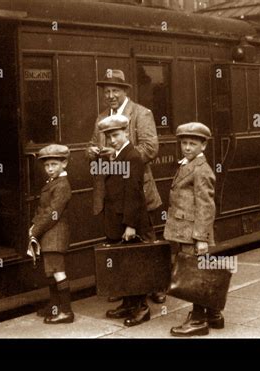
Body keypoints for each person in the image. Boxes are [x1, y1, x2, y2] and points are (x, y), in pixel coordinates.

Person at [87, 69, 165, 304]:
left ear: (125, 91)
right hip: (111, 193)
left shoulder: (141, 113)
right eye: (106, 91)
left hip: (135, 190)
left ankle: (156, 285)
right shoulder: (101, 117)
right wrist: (90, 152)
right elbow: (91, 144)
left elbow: (150, 148)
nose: (110, 95)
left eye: (115, 91)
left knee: (145, 238)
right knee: (117, 241)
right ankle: (125, 288)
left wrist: (120, 156)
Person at [163, 122, 224, 337]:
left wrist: (201, 237)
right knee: (199, 270)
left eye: (192, 143)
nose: (187, 147)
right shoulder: (188, 164)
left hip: (193, 232)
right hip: (186, 229)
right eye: (184, 143)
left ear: (203, 145)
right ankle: (214, 314)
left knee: (193, 275)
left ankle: (198, 320)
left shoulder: (201, 170)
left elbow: (206, 206)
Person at [96, 115, 154, 327]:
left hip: (127, 221)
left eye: (116, 135)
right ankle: (128, 304)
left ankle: (142, 308)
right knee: (123, 265)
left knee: (133, 264)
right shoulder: (119, 155)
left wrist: (130, 225)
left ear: (126, 133)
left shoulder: (132, 157)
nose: (112, 140)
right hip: (116, 219)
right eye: (109, 136)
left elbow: (134, 194)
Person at [29, 144, 74, 324]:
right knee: (51, 272)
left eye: (54, 164)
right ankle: (55, 306)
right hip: (50, 235)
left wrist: (35, 229)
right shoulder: (53, 182)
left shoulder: (62, 185)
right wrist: (34, 226)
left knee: (57, 272)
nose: (49, 169)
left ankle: (66, 312)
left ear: (65, 163)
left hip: (55, 235)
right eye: (47, 166)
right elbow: (43, 210)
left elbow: (52, 213)